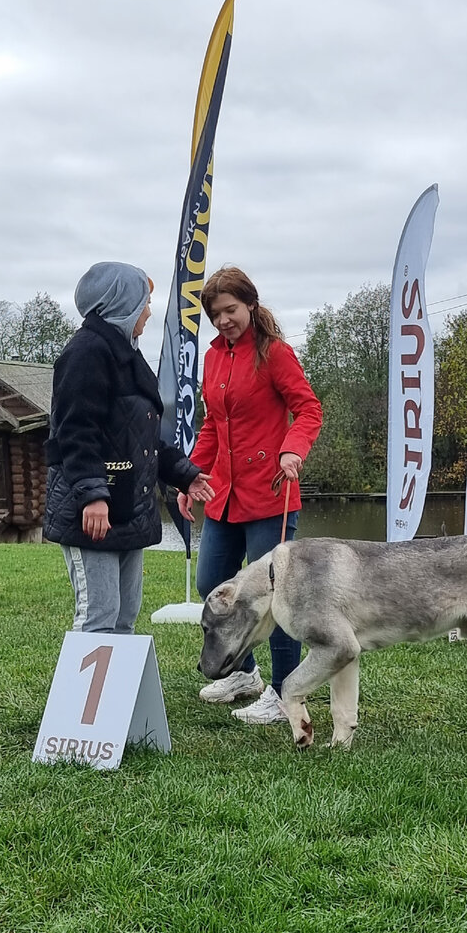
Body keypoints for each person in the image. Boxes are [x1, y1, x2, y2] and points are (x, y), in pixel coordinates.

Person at [178, 265, 322, 724]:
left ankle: (284, 695)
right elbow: (211, 426)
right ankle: (245, 674)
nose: (223, 321)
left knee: (277, 600)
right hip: (223, 494)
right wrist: (191, 476)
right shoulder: (213, 356)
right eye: (215, 314)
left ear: (251, 306)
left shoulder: (275, 353)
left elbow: (308, 409)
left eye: (231, 310)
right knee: (211, 585)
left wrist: (291, 451)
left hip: (271, 494)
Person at [44, 261, 214, 633]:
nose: (149, 312)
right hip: (92, 511)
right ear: (120, 302)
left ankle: (118, 693)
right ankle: (85, 694)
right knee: (98, 616)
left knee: (124, 618)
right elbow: (75, 432)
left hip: (128, 507)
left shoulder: (129, 355)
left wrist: (184, 474)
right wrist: (92, 496)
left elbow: (143, 440)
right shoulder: (86, 353)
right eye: (144, 302)